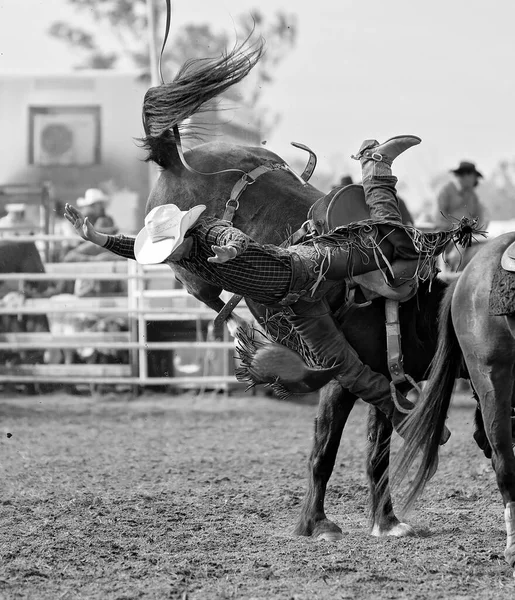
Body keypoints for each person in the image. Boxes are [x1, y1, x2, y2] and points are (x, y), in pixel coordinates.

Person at [65, 135, 468, 439]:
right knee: (346, 368)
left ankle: (375, 168)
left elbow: (234, 238)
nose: (170, 251)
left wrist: (230, 251)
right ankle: (408, 421)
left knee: (394, 263)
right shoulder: (182, 254)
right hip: (294, 307)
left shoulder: (209, 230)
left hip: (309, 264)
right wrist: (98, 238)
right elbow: (132, 248)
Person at [434, 161, 486, 229]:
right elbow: (439, 216)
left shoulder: (473, 196)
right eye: (474, 177)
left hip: (467, 236)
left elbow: (479, 217)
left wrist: (476, 227)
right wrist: (452, 228)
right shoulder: (445, 192)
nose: (475, 181)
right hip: (447, 235)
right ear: (466, 176)